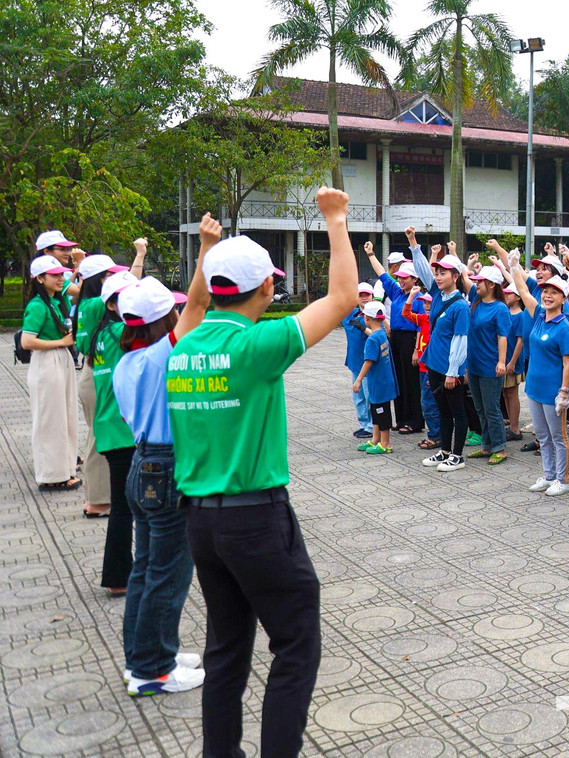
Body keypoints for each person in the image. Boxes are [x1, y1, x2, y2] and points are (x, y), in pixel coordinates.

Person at [167, 188, 358, 757]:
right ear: (268, 287)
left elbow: (197, 307)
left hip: (200, 523)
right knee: (296, 643)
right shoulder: (259, 345)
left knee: (226, 650)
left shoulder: (182, 345)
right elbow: (344, 295)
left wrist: (207, 251)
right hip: (256, 519)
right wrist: (336, 219)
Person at [114, 262, 211, 696]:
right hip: (166, 468)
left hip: (141, 466)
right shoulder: (161, 355)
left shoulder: (125, 363)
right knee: (168, 574)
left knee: (145, 569)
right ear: (162, 321)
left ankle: (144, 657)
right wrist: (207, 249)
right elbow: (199, 303)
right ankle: (154, 671)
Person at [73, 246, 142, 517]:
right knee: (98, 438)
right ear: (99, 281)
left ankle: (97, 497)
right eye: (108, 275)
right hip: (98, 372)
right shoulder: (97, 304)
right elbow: (132, 287)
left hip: (94, 369)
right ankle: (99, 500)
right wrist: (138, 256)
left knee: (98, 434)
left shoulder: (86, 303)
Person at [503, 256, 569, 496]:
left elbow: (568, 364)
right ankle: (548, 475)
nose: (547, 296)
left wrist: (564, 392)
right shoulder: (538, 317)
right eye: (545, 291)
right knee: (542, 435)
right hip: (534, 388)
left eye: (553, 293)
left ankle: (562, 480)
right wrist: (513, 267)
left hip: (552, 391)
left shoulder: (565, 327)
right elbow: (523, 291)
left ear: (563, 299)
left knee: (558, 436)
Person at [408, 230, 473, 472]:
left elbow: (460, 340)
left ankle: (457, 455)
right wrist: (414, 245)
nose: (437, 276)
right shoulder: (437, 294)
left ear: (456, 276)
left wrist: (453, 372)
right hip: (434, 363)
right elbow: (424, 273)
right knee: (442, 410)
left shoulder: (460, 306)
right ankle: (444, 450)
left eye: (443, 272)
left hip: (449, 369)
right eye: (437, 272)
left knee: (457, 411)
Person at [92, 270, 140, 597]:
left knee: (125, 504)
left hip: (111, 427)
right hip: (122, 430)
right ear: (111, 304)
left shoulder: (104, 334)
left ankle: (122, 571)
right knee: (125, 507)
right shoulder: (123, 331)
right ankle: (118, 576)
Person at [23, 254, 80, 491]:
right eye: (55, 275)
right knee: (50, 420)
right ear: (39, 278)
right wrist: (61, 343)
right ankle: (50, 475)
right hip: (47, 362)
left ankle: (64, 470)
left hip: (61, 359)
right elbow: (27, 341)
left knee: (65, 416)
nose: (60, 278)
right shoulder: (37, 305)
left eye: (61, 274)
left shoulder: (56, 302)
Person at [364, 243, 423, 435]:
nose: (401, 280)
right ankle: (401, 418)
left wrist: (416, 349)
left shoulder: (419, 298)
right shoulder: (397, 292)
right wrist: (371, 253)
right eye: (399, 277)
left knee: (411, 381)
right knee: (397, 379)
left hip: (411, 340)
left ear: (415, 279)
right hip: (395, 339)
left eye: (405, 278)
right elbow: (382, 273)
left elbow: (421, 326)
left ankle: (415, 421)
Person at [465, 264, 512, 465]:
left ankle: (499, 448)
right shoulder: (476, 300)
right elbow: (464, 278)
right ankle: (486, 446)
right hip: (473, 364)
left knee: (491, 408)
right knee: (480, 407)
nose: (476, 284)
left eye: (480, 281)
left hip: (490, 367)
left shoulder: (500, 308)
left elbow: (503, 337)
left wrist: (501, 362)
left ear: (492, 285)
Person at [352, 300, 396, 454]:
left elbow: (368, 361)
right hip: (383, 381)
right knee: (376, 409)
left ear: (366, 318)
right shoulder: (382, 334)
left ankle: (386, 443)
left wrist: (358, 380)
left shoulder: (372, 339)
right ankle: (375, 439)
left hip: (379, 382)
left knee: (381, 412)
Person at [402, 288, 440, 450]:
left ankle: (436, 436)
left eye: (429, 302)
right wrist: (411, 296)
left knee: (430, 404)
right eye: (424, 302)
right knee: (428, 402)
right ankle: (435, 434)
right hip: (423, 369)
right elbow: (406, 314)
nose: (426, 305)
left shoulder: (437, 321)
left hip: (433, 368)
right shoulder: (424, 319)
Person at [341, 283, 376, 439]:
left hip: (369, 365)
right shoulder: (350, 315)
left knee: (370, 397)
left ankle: (371, 426)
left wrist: (363, 327)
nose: (364, 298)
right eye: (360, 295)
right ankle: (364, 424)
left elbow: (379, 335)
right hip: (355, 363)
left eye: (367, 295)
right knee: (358, 397)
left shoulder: (375, 316)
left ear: (372, 297)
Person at [501, 284, 525, 440]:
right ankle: (511, 424)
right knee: (504, 392)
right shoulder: (504, 312)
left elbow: (520, 340)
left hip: (512, 360)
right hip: (502, 360)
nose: (506, 296)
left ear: (517, 296)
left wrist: (513, 361)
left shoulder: (521, 315)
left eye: (510, 293)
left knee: (512, 393)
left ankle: (515, 428)